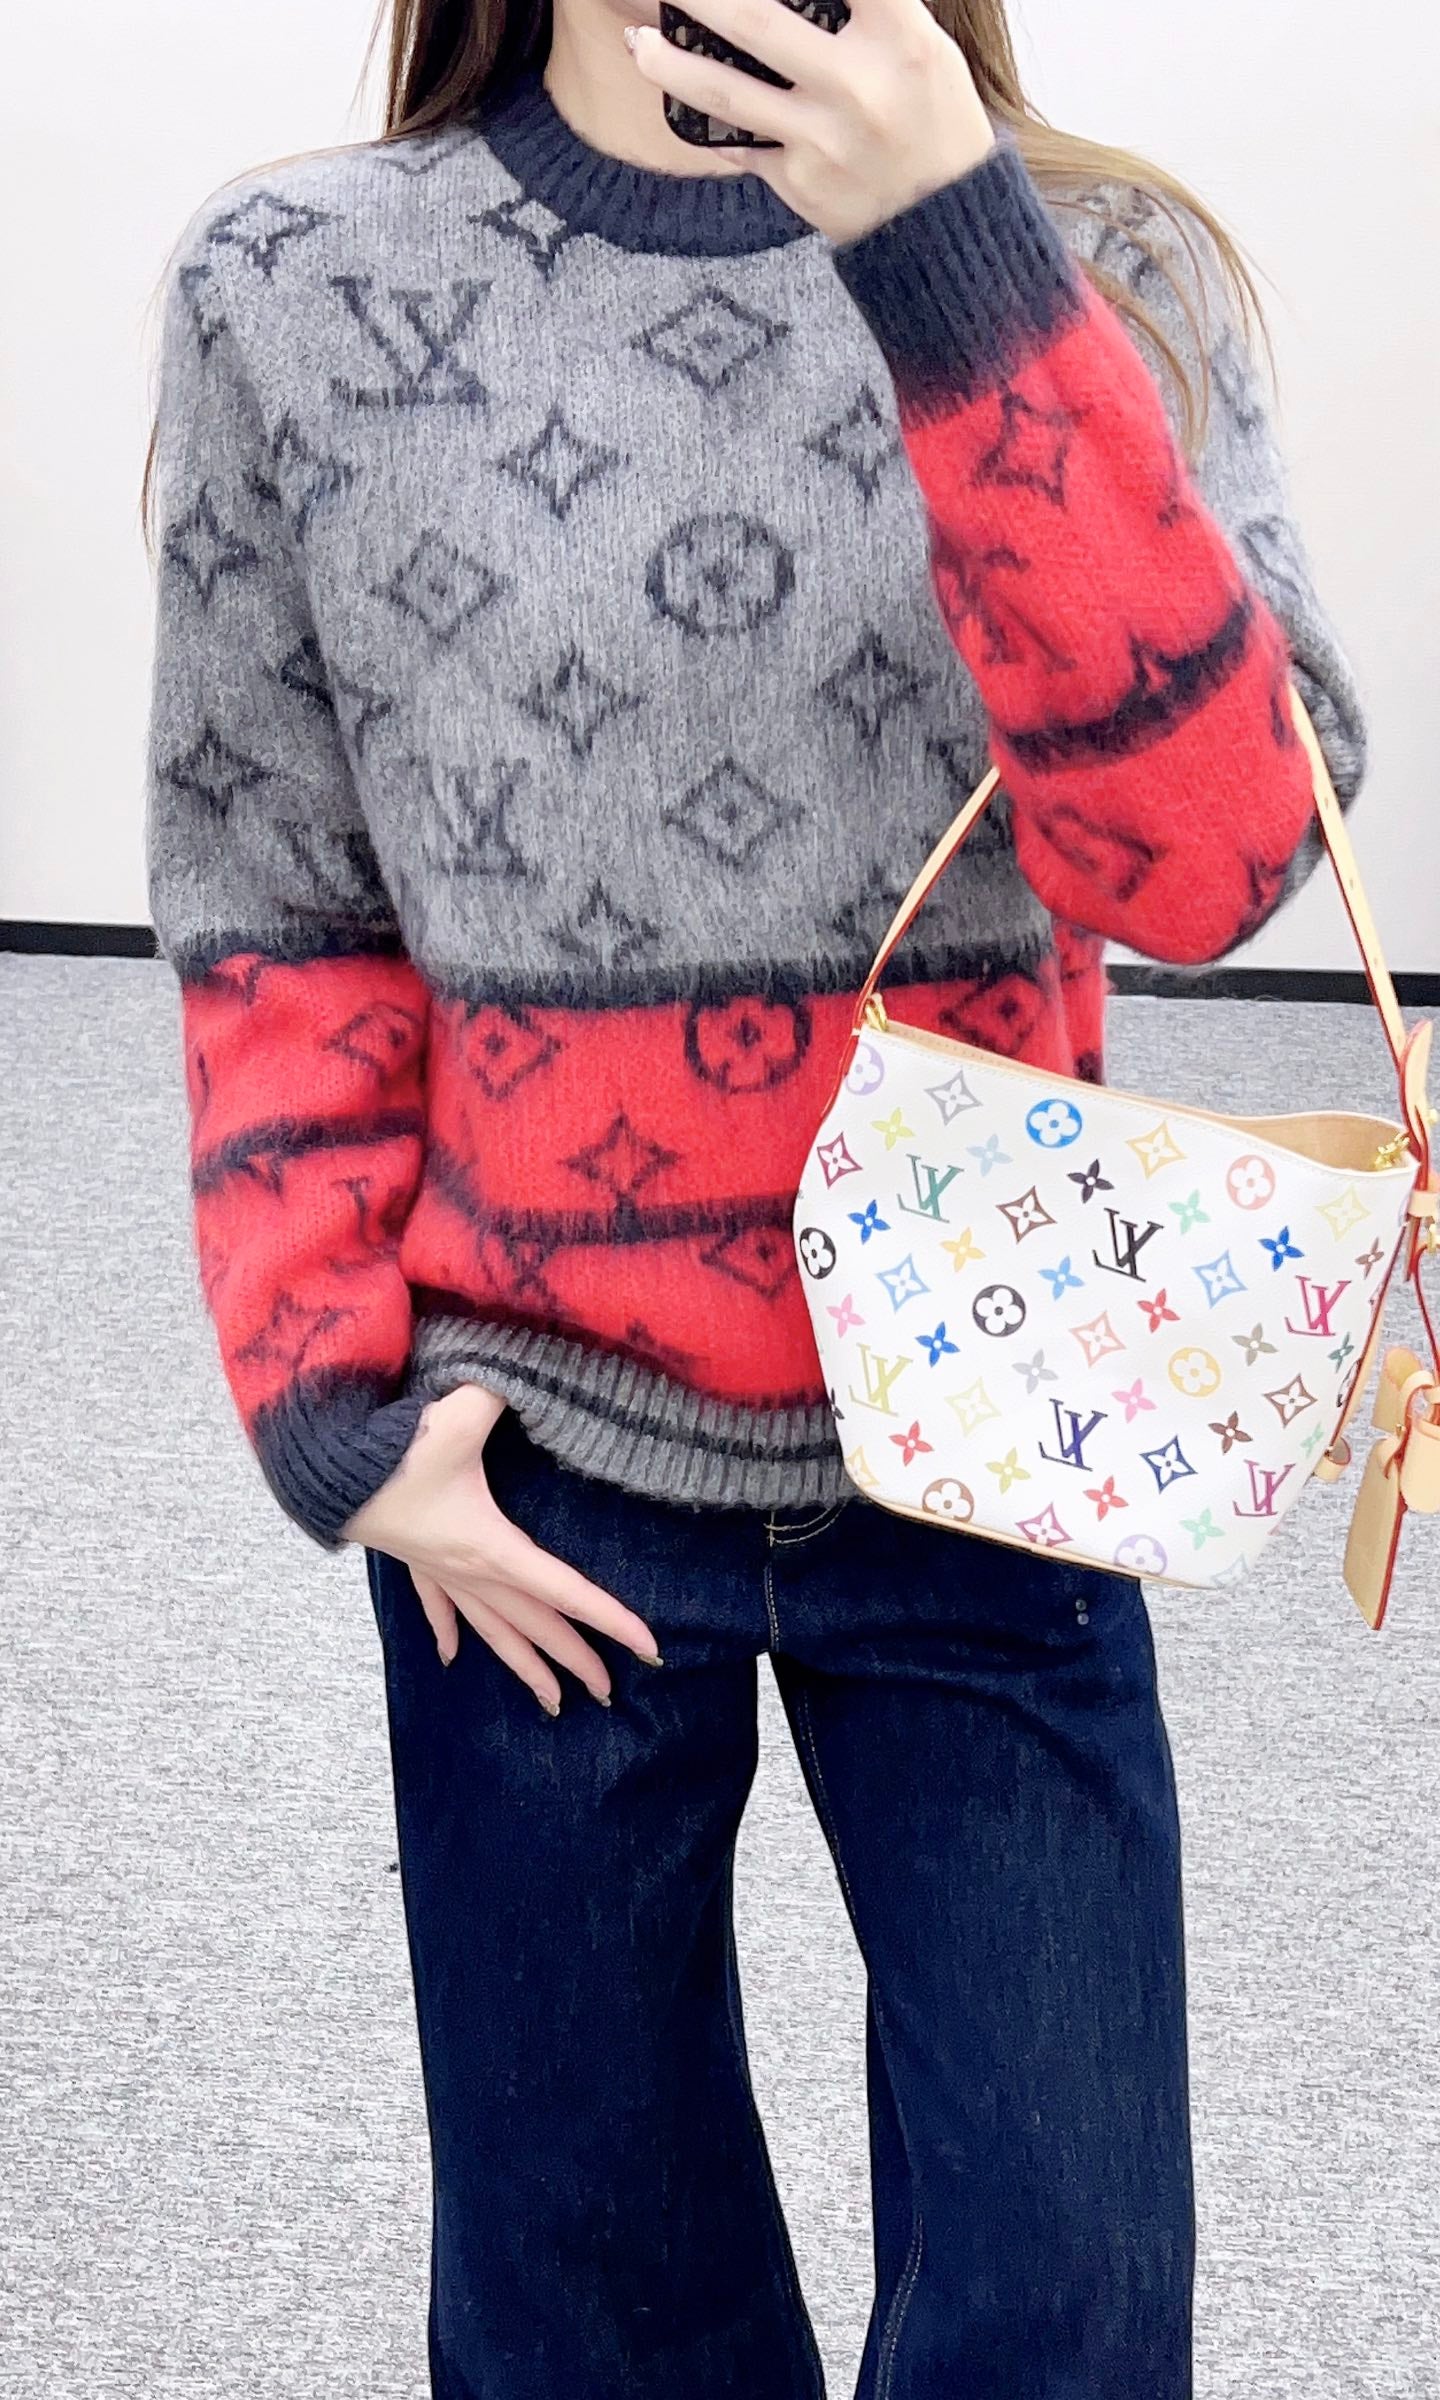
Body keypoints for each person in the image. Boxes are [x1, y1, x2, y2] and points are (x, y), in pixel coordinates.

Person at [144, 0, 1366, 2389]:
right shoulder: (289, 284)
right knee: (589, 2305)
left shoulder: (1098, 265)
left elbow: (1214, 862)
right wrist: (334, 1410)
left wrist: (955, 266)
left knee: (1072, 2296)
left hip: (998, 1428)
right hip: (536, 1470)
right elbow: (273, 895)